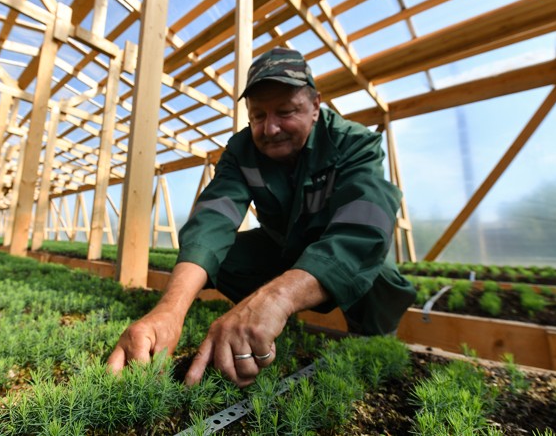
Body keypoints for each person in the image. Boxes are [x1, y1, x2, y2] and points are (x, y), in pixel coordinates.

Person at [106, 47, 416, 387]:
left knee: (374, 273)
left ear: (315, 106)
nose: (270, 129)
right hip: (281, 248)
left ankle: (370, 343)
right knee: (220, 258)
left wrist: (276, 299)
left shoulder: (352, 142)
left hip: (333, 252)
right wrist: (170, 309)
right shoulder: (242, 151)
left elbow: (363, 227)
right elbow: (213, 220)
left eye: (285, 112)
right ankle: (263, 326)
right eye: (257, 116)